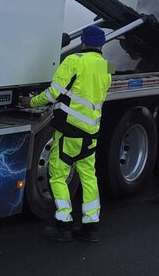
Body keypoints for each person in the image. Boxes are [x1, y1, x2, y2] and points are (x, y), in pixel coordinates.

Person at [23, 24, 112, 241]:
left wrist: (30, 102)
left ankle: (64, 224)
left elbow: (53, 93)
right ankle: (91, 227)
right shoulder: (107, 66)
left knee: (58, 176)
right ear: (101, 45)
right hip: (91, 133)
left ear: (83, 42)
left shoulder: (74, 61)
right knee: (89, 177)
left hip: (68, 132)